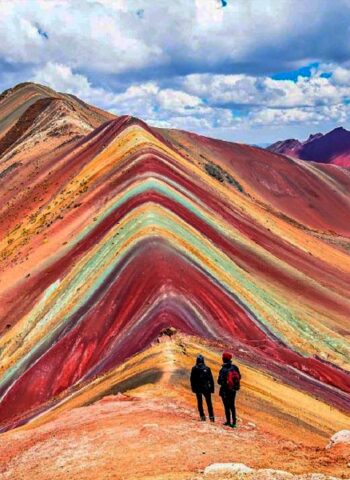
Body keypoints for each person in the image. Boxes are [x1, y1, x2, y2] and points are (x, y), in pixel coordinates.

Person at [218, 351, 241, 428]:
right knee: (232, 405)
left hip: (225, 390)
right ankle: (234, 423)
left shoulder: (223, 369)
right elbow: (239, 376)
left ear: (224, 359)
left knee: (226, 406)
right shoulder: (235, 367)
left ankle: (228, 421)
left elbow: (219, 381)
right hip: (233, 390)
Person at [190, 354, 215, 422]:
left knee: (200, 402)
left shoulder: (194, 368)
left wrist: (193, 388)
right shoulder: (207, 368)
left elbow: (192, 379)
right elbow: (211, 380)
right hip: (206, 388)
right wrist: (212, 389)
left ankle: (202, 416)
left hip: (198, 389)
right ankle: (211, 417)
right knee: (209, 403)